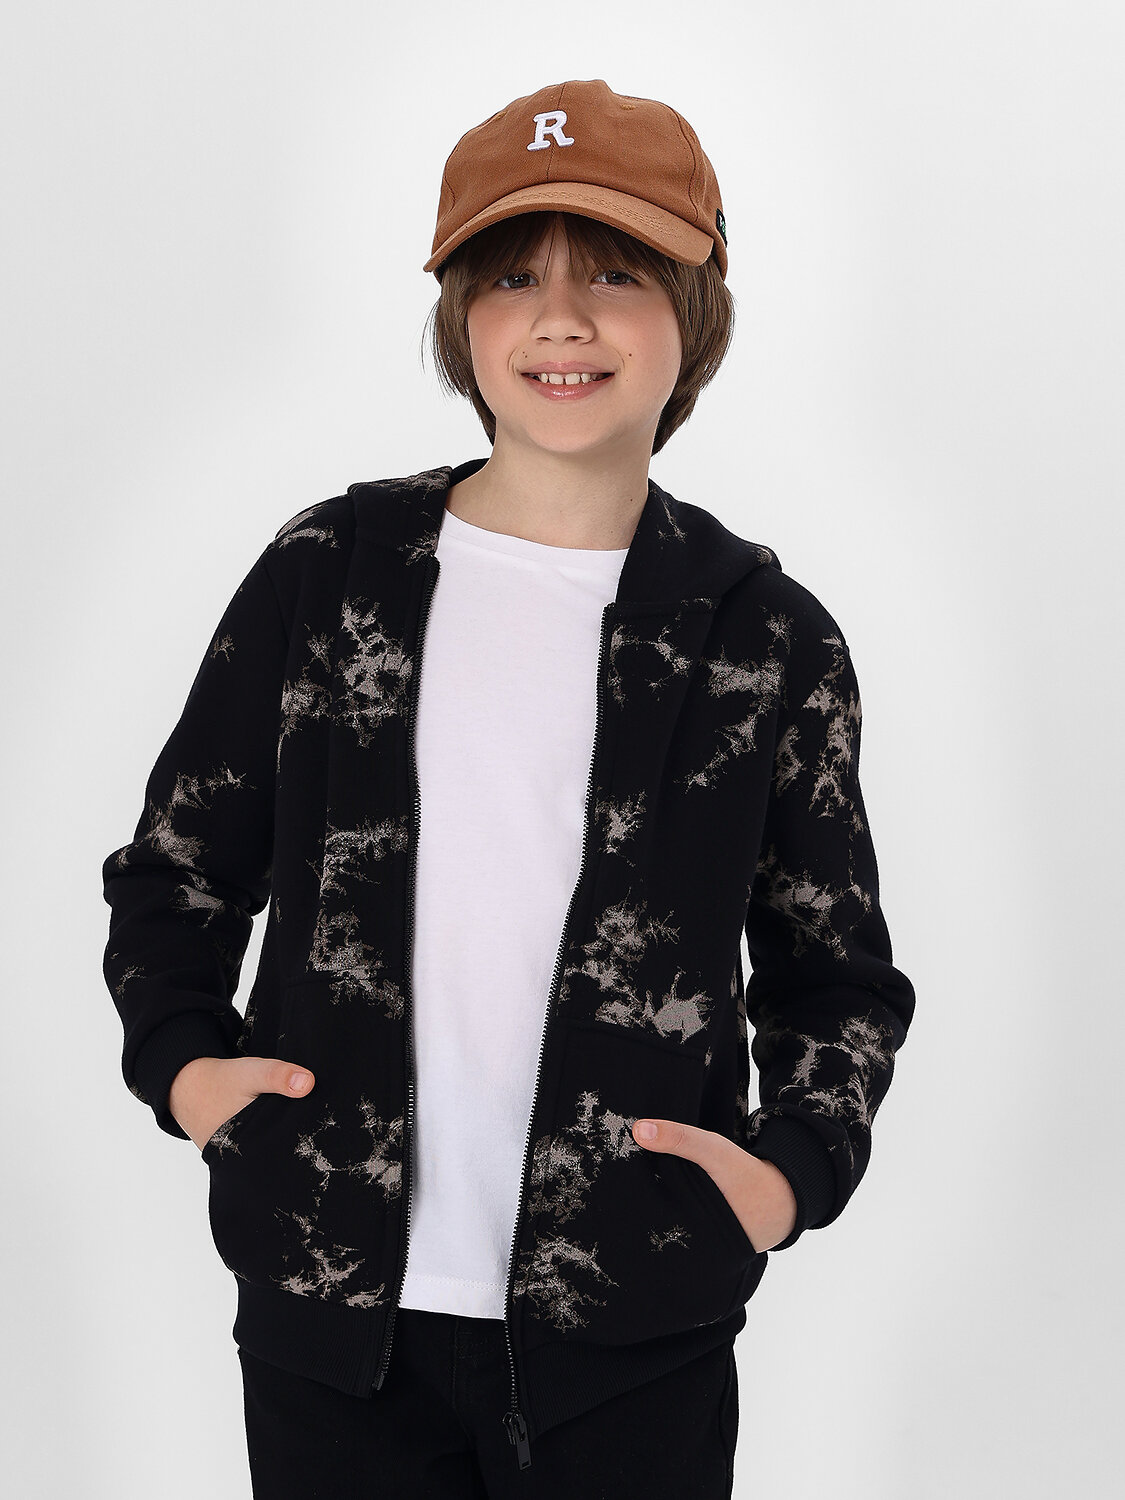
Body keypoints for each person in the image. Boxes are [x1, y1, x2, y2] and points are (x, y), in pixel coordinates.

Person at [101, 78, 916, 1498]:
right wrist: (186, 1070)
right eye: (512, 277)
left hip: (634, 1324)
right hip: (327, 1304)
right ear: (460, 318)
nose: (562, 319)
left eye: (616, 274)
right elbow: (178, 869)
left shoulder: (762, 638)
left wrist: (786, 1173)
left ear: (697, 307)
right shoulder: (332, 575)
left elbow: (833, 974)